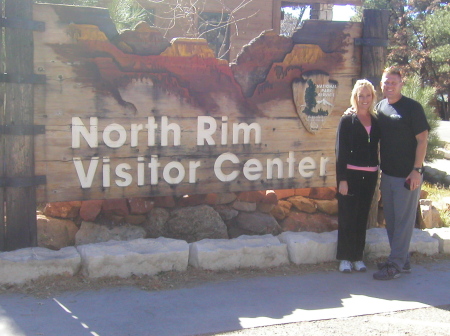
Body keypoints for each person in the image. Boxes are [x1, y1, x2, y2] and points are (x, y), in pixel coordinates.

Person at [373, 67, 430, 280]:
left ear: (401, 84)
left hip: (408, 176)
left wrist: (417, 170)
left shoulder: (412, 108)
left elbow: (423, 139)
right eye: (386, 82)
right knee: (392, 220)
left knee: (404, 221)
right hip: (387, 174)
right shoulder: (380, 107)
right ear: (382, 84)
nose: (389, 86)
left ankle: (394, 265)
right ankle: (402, 260)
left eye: (393, 83)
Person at [335, 79, 381, 273]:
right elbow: (340, 151)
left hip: (370, 176)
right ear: (355, 96)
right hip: (351, 176)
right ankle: (345, 258)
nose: (364, 99)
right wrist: (342, 179)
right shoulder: (347, 120)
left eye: (368, 95)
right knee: (347, 217)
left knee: (361, 217)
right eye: (360, 95)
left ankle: (357, 257)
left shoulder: (377, 120)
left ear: (373, 97)